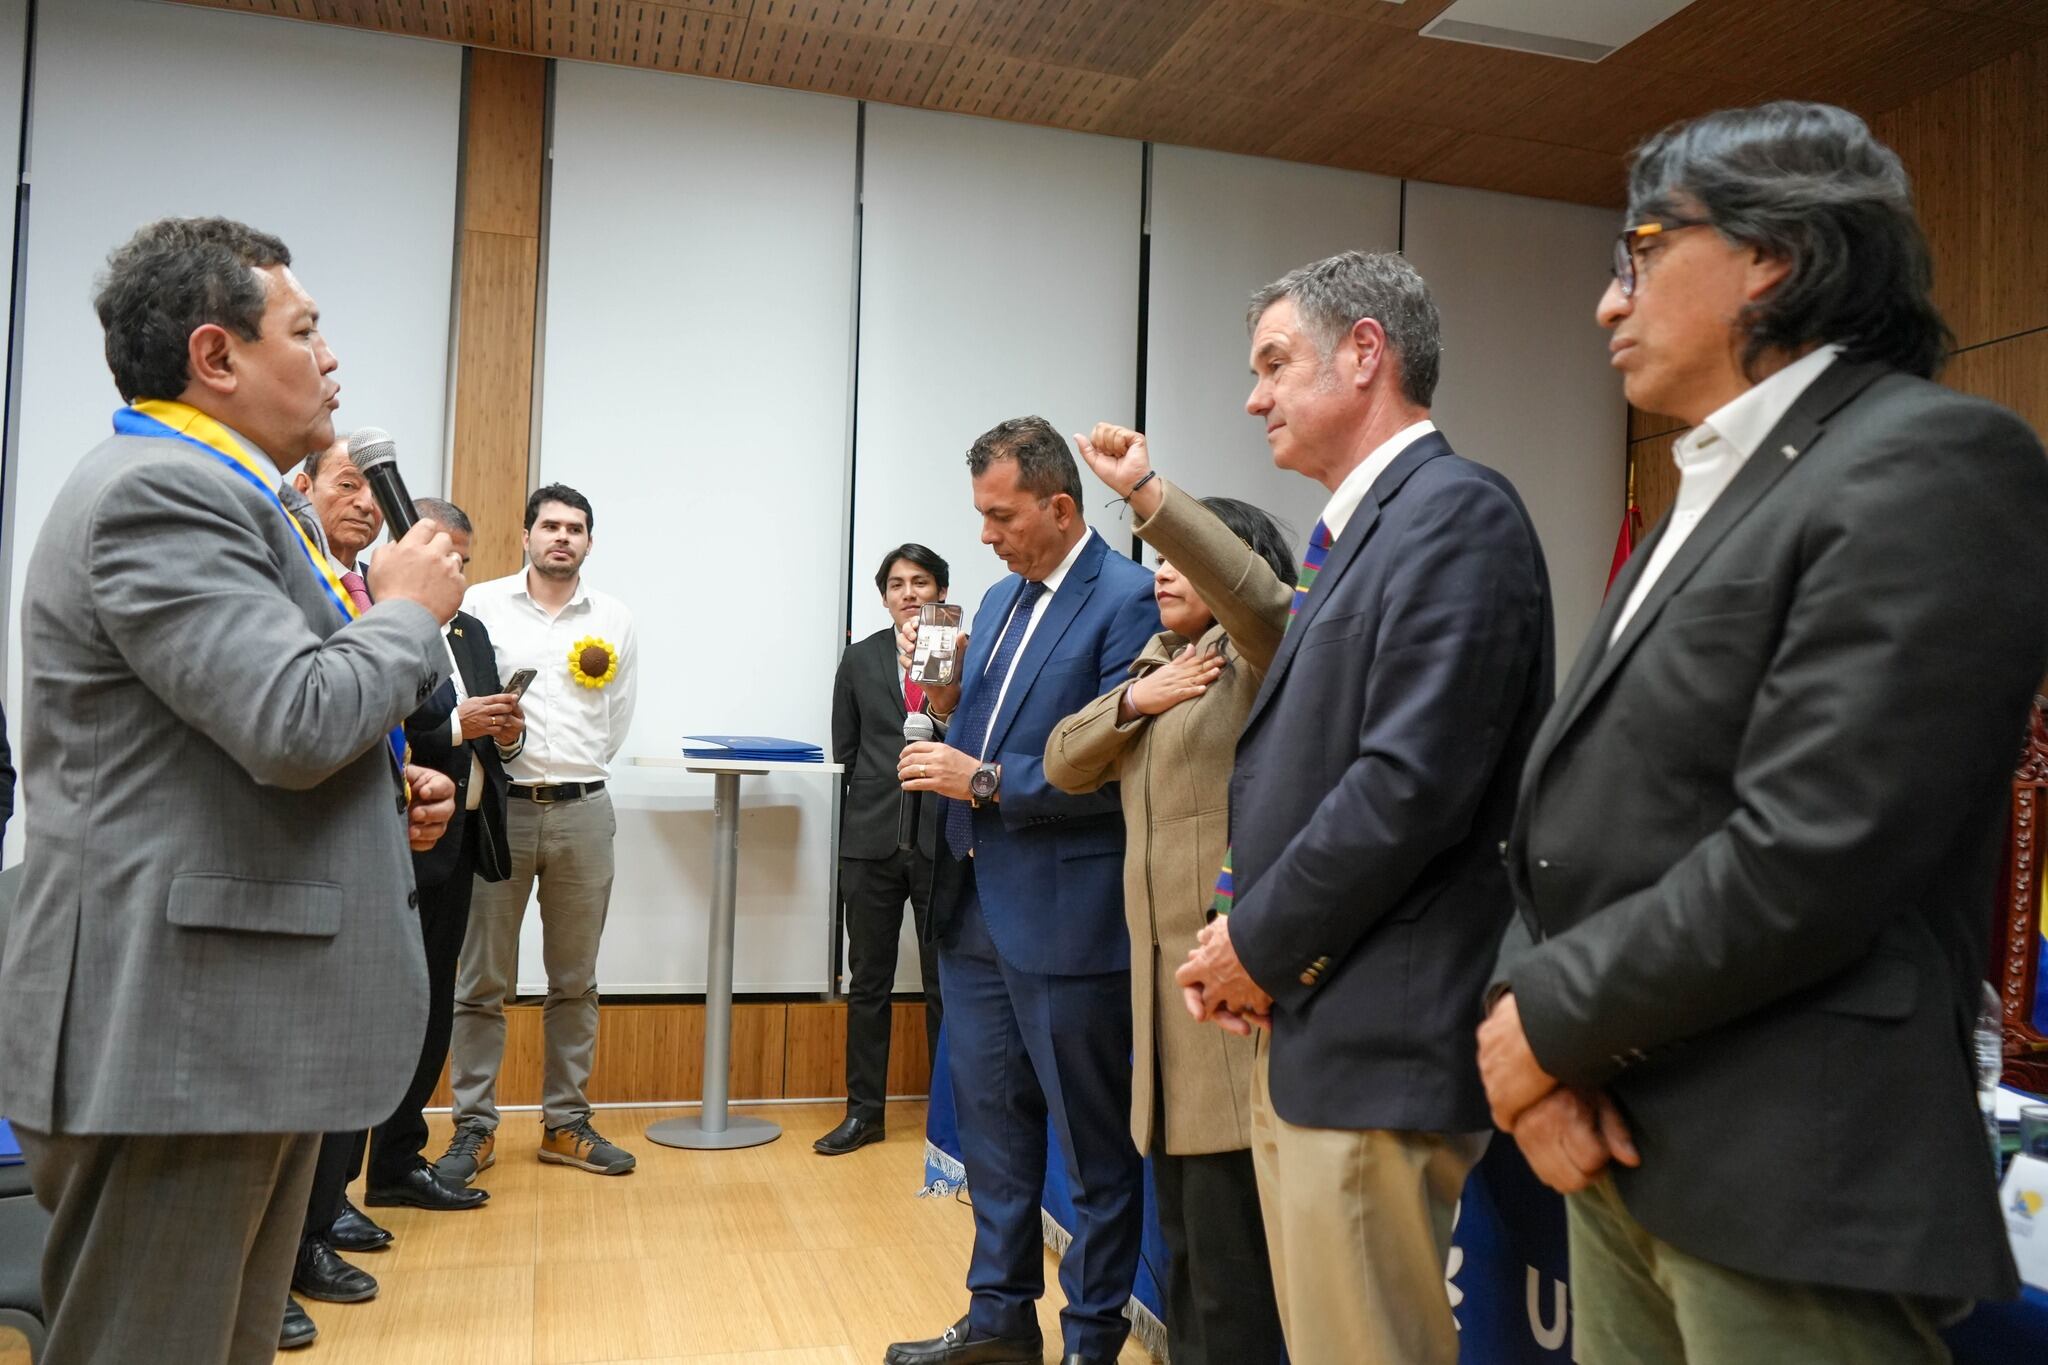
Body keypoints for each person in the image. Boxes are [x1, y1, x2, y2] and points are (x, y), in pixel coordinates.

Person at [1479, 100, 2048, 1365]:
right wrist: (1531, 1036)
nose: (1605, 302)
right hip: (1614, 1131)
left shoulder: (1933, 459)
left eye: (1635, 250)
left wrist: (1540, 1020)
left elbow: (1815, 848)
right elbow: (1576, 812)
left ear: (1769, 256)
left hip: (1790, 1172)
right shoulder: (1716, 477)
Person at [0, 216, 462, 1365]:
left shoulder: (228, 492)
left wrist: (375, 786)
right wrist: (405, 609)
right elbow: (292, 720)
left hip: (225, 1024)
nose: (331, 358)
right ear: (216, 357)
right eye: (305, 330)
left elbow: (233, 736)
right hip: (178, 1032)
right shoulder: (161, 492)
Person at [1167, 250, 1554, 1365]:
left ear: (1366, 353)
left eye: (1274, 364)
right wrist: (1246, 941)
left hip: (1378, 1034)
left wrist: (1258, 943)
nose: (1253, 398)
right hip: (1312, 1020)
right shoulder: (1353, 539)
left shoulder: (1454, 515)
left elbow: (1406, 787)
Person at [886, 416, 1159, 1365]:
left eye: (1000, 515)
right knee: (998, 1139)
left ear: (1060, 505)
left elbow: (1125, 764)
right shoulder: (998, 602)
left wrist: (987, 780)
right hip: (973, 908)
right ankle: (1000, 1319)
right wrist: (951, 708)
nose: (985, 535)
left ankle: (1092, 1340)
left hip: (1070, 917)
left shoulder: (1128, 599)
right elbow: (988, 734)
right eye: (980, 515)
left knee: (1091, 1154)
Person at [1045, 479, 1293, 1365]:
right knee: (1189, 1265)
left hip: (1231, 1014)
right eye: (1156, 560)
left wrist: (1154, 500)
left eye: (1185, 557)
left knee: (1232, 1281)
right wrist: (1137, 701)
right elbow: (1063, 758)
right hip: (1165, 1023)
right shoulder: (1162, 664)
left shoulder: (1263, 654)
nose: (1161, 573)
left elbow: (1263, 607)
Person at [445, 483, 640, 1179]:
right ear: (526, 534)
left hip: (585, 808)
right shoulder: (479, 607)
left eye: (576, 528)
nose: (563, 536)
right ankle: (473, 1127)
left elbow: (614, 721)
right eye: (551, 525)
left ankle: (566, 1122)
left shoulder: (614, 617)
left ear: (589, 541)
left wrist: (572, 769)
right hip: (499, 807)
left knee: (575, 980)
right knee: (482, 979)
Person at [363, 496, 521, 1208]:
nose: (454, 566)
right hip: (399, 838)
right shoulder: (379, 615)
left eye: (463, 556)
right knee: (382, 1011)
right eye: (443, 552)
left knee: (432, 1008)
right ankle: (335, 1189)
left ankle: (400, 1160)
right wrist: (459, 725)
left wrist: (502, 729)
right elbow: (379, 723)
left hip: (461, 837)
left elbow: (477, 726)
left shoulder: (473, 630)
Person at [816, 543, 950, 1156]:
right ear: (884, 596)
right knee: (868, 982)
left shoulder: (960, 653)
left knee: (944, 986)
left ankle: (951, 1122)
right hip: (869, 842)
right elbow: (846, 748)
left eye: (920, 582)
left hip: (941, 839)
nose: (909, 593)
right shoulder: (861, 657)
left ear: (940, 591)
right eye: (896, 584)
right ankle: (863, 1113)